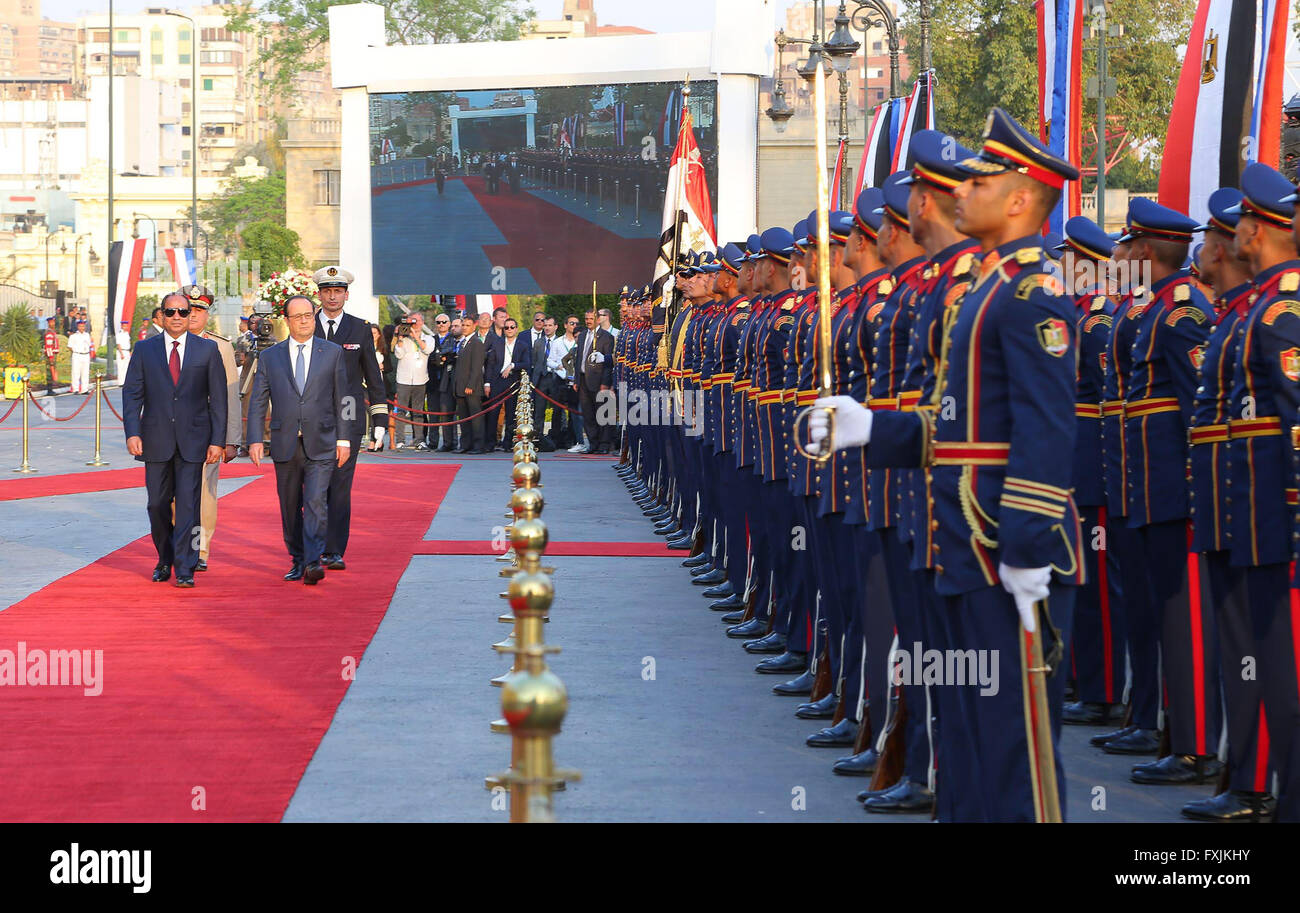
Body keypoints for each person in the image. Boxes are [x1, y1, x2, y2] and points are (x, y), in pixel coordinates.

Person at [810, 107, 1083, 822]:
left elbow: (1047, 432)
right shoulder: (985, 292)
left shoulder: (1031, 295)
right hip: (967, 545)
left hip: (1006, 550)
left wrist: (1026, 549)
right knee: (966, 734)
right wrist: (871, 428)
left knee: (1013, 753)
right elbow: (951, 425)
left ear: (1021, 198)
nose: (964, 189)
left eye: (982, 179)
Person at [121, 291, 228, 588]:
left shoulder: (207, 350)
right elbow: (132, 394)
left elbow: (219, 399)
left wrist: (218, 440)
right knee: (156, 504)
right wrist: (132, 432)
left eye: (183, 312)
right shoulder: (145, 350)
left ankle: (185, 566)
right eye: (171, 312)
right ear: (162, 316)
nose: (178, 317)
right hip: (154, 439)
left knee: (188, 508)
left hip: (194, 441)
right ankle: (165, 557)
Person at [245, 294, 351, 585]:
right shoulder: (270, 356)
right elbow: (258, 400)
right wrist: (255, 438)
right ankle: (298, 558)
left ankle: (314, 560)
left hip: (323, 440)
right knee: (290, 504)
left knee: (316, 500)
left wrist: (345, 439)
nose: (305, 320)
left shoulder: (332, 352)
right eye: (298, 316)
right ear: (287, 321)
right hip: (285, 440)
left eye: (309, 315)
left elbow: (343, 397)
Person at [312, 266, 389, 568]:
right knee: (314, 485)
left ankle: (333, 550)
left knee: (340, 486)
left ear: (346, 294)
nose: (332, 296)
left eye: (338, 291)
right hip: (312, 418)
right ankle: (312, 544)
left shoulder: (359, 328)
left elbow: (373, 375)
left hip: (348, 416)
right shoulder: (306, 325)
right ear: (319, 294)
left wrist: (380, 421)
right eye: (327, 291)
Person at [183, 284, 241, 573]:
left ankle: (200, 549)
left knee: (205, 494)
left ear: (207, 314)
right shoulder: (165, 344)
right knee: (171, 495)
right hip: (173, 433)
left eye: (199, 310)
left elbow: (231, 394)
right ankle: (179, 545)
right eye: (189, 309)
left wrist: (231, 439)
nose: (193, 315)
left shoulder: (220, 346)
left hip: (208, 433)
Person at [573, 308, 615, 453]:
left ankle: (604, 445)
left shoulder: (606, 337)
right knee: (588, 413)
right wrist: (576, 379)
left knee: (602, 413)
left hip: (598, 380)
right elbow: (579, 358)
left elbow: (609, 363)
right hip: (584, 379)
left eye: (591, 319)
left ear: (598, 319)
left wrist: (606, 383)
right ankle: (593, 443)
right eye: (586, 319)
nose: (588, 321)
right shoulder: (583, 335)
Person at [391, 312, 434, 449]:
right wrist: (400, 337)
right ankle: (400, 440)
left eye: (417, 321)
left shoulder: (428, 338)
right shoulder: (404, 338)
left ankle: (419, 440)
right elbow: (398, 354)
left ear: (422, 322)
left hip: (420, 379)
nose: (414, 324)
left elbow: (427, 349)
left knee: (418, 411)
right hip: (403, 378)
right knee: (401, 411)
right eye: (411, 321)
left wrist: (415, 336)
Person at [453, 311, 493, 453]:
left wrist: (470, 385)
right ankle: (465, 444)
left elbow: (477, 367)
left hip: (472, 388)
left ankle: (478, 446)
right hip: (461, 387)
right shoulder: (463, 342)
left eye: (467, 325)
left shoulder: (476, 342)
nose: (464, 327)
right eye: (463, 325)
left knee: (476, 418)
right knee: (463, 418)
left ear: (473, 327)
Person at [497, 316, 533, 449]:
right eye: (506, 327)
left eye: (512, 327)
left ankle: (507, 442)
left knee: (511, 413)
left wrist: (512, 365)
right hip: (498, 380)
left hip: (513, 380)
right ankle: (492, 441)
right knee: (494, 413)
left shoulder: (523, 345)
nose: (509, 329)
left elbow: (527, 363)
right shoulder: (498, 343)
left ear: (516, 329)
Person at [424, 312, 453, 450]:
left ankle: (449, 442)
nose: (441, 325)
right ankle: (433, 441)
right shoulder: (431, 339)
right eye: (438, 322)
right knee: (433, 413)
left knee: (446, 413)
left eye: (444, 322)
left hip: (447, 381)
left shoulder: (453, 339)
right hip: (433, 381)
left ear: (449, 324)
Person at [433, 315, 462, 451]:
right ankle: (447, 443)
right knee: (446, 413)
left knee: (462, 415)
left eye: (457, 326)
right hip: (445, 380)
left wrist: (449, 357)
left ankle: (461, 442)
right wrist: (448, 357)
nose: (454, 328)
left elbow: (451, 355)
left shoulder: (463, 341)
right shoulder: (444, 340)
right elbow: (440, 355)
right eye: (453, 326)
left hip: (460, 381)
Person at [67, 320, 92, 394]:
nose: (82, 328)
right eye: (80, 326)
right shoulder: (74, 336)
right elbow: (69, 346)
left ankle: (85, 389)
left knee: (85, 372)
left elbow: (89, 344)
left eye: (83, 326)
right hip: (77, 354)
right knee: (76, 372)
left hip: (86, 354)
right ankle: (76, 389)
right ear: (78, 327)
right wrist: (75, 350)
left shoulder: (87, 335)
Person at [42, 317, 59, 395]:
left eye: (53, 322)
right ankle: (49, 389)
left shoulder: (52, 332)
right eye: (51, 322)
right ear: (49, 323)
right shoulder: (49, 333)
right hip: (50, 355)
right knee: (49, 372)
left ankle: (51, 388)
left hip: (53, 354)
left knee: (52, 371)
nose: (53, 324)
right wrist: (51, 357)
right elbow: (48, 346)